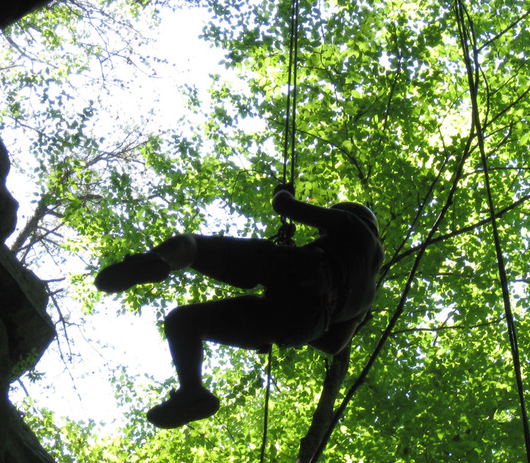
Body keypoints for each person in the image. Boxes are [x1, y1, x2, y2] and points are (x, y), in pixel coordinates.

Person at [94, 184, 383, 429]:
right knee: (182, 322)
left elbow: (285, 206)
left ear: (353, 215)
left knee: (192, 247)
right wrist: (299, 307)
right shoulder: (367, 297)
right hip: (301, 326)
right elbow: (334, 345)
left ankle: (159, 261)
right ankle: (191, 391)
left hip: (304, 270)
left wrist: (283, 193)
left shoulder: (356, 227)